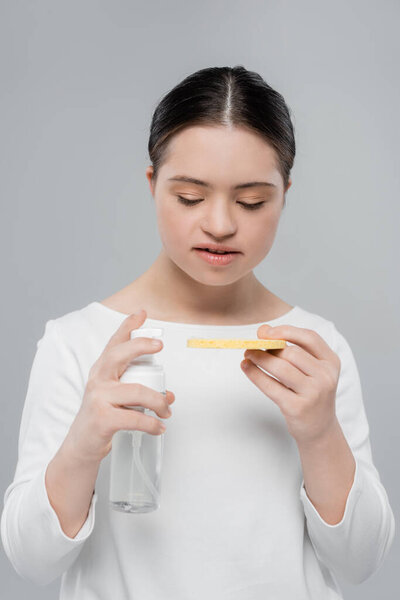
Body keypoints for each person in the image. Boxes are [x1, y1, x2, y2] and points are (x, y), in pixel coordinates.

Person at [1, 65, 395, 599]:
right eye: (189, 197)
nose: (220, 224)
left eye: (252, 201)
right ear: (153, 184)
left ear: (285, 194)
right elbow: (30, 562)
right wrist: (82, 445)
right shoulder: (80, 343)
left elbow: (361, 562)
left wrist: (321, 434)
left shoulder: (311, 347)